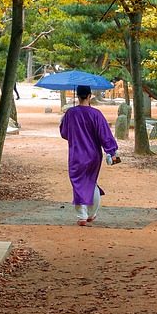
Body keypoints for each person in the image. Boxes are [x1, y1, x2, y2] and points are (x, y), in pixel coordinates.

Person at [59, 84, 120, 226]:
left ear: (78, 96)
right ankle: (91, 214)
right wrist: (111, 151)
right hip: (93, 155)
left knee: (78, 183)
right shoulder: (96, 114)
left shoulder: (70, 113)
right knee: (91, 182)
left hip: (76, 154)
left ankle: (82, 214)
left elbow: (64, 133)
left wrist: (65, 121)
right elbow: (105, 135)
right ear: (89, 95)